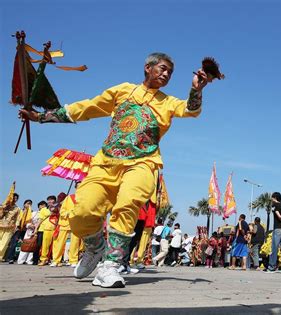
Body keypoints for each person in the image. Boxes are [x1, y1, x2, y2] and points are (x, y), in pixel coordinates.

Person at [20, 52, 213, 288]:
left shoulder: (167, 101)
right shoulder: (123, 90)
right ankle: (95, 247)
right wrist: (41, 117)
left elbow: (190, 109)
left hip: (144, 162)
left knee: (129, 202)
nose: (166, 74)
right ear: (147, 68)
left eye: (170, 72)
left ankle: (110, 265)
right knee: (81, 214)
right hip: (106, 162)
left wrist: (197, 89)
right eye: (162, 68)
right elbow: (87, 108)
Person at [6, 199, 32, 263]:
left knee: (25, 244)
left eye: (30, 204)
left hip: (25, 231)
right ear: (24, 204)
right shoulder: (20, 211)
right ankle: (10, 258)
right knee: (14, 244)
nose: (29, 205)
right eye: (27, 203)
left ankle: (23, 259)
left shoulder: (31, 213)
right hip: (18, 229)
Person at [35, 195, 58, 266]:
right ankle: (43, 259)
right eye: (49, 200)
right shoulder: (44, 210)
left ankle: (56, 260)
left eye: (52, 200)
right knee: (45, 245)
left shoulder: (58, 208)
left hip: (56, 228)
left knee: (56, 245)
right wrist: (36, 229)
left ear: (55, 201)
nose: (50, 201)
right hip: (47, 228)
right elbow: (40, 220)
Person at [0, 193, 21, 261]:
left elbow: (18, 218)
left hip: (9, 227)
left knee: (5, 242)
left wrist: (16, 226)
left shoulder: (17, 209)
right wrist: (4, 209)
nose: (14, 199)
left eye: (16, 198)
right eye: (13, 198)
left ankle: (0, 256)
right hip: (0, 225)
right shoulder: (3, 206)